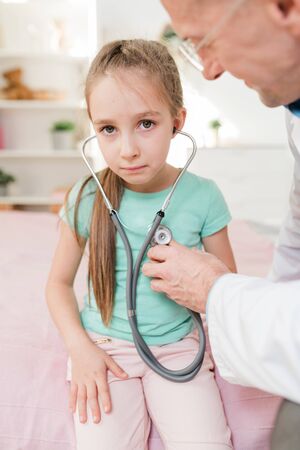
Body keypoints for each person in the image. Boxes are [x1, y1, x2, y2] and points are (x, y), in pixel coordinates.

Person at [46, 39, 237, 449]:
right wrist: (80, 350)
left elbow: (228, 285)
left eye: (146, 124)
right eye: (108, 129)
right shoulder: (86, 197)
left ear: (177, 120)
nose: (127, 149)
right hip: (104, 350)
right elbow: (57, 285)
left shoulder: (202, 196)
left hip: (177, 349)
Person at [141, 0, 300, 405]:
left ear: (285, 8)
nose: (210, 70)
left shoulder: (204, 196)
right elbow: (296, 239)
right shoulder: (294, 110)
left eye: (205, 41)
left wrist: (215, 293)